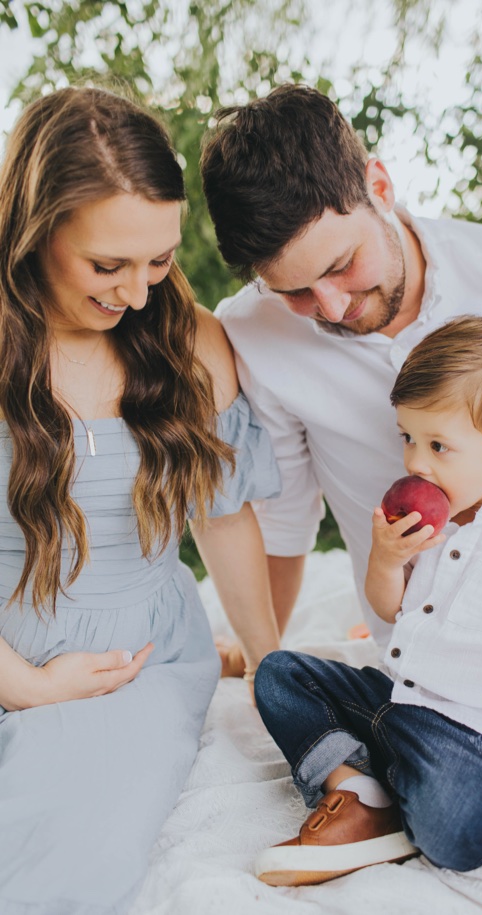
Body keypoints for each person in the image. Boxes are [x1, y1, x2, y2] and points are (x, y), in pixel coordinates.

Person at [200, 84, 482, 811]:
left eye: (339, 266)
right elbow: (287, 518)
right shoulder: (259, 333)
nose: (331, 309)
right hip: (432, 639)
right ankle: (388, 769)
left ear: (378, 187)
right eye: (292, 290)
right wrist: (260, 647)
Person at [0, 87, 282, 913]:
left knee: (60, 834)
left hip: (129, 659)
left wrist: (269, 661)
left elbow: (223, 516)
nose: (137, 292)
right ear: (36, 230)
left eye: (158, 261)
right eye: (106, 265)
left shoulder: (190, 344)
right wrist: (20, 682)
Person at [252, 316, 482, 884]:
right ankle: (361, 789)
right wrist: (386, 560)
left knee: (456, 834)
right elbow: (389, 609)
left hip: (477, 739)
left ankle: (393, 780)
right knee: (278, 673)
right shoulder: (430, 526)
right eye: (408, 438)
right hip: (399, 704)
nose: (417, 463)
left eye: (440, 445)